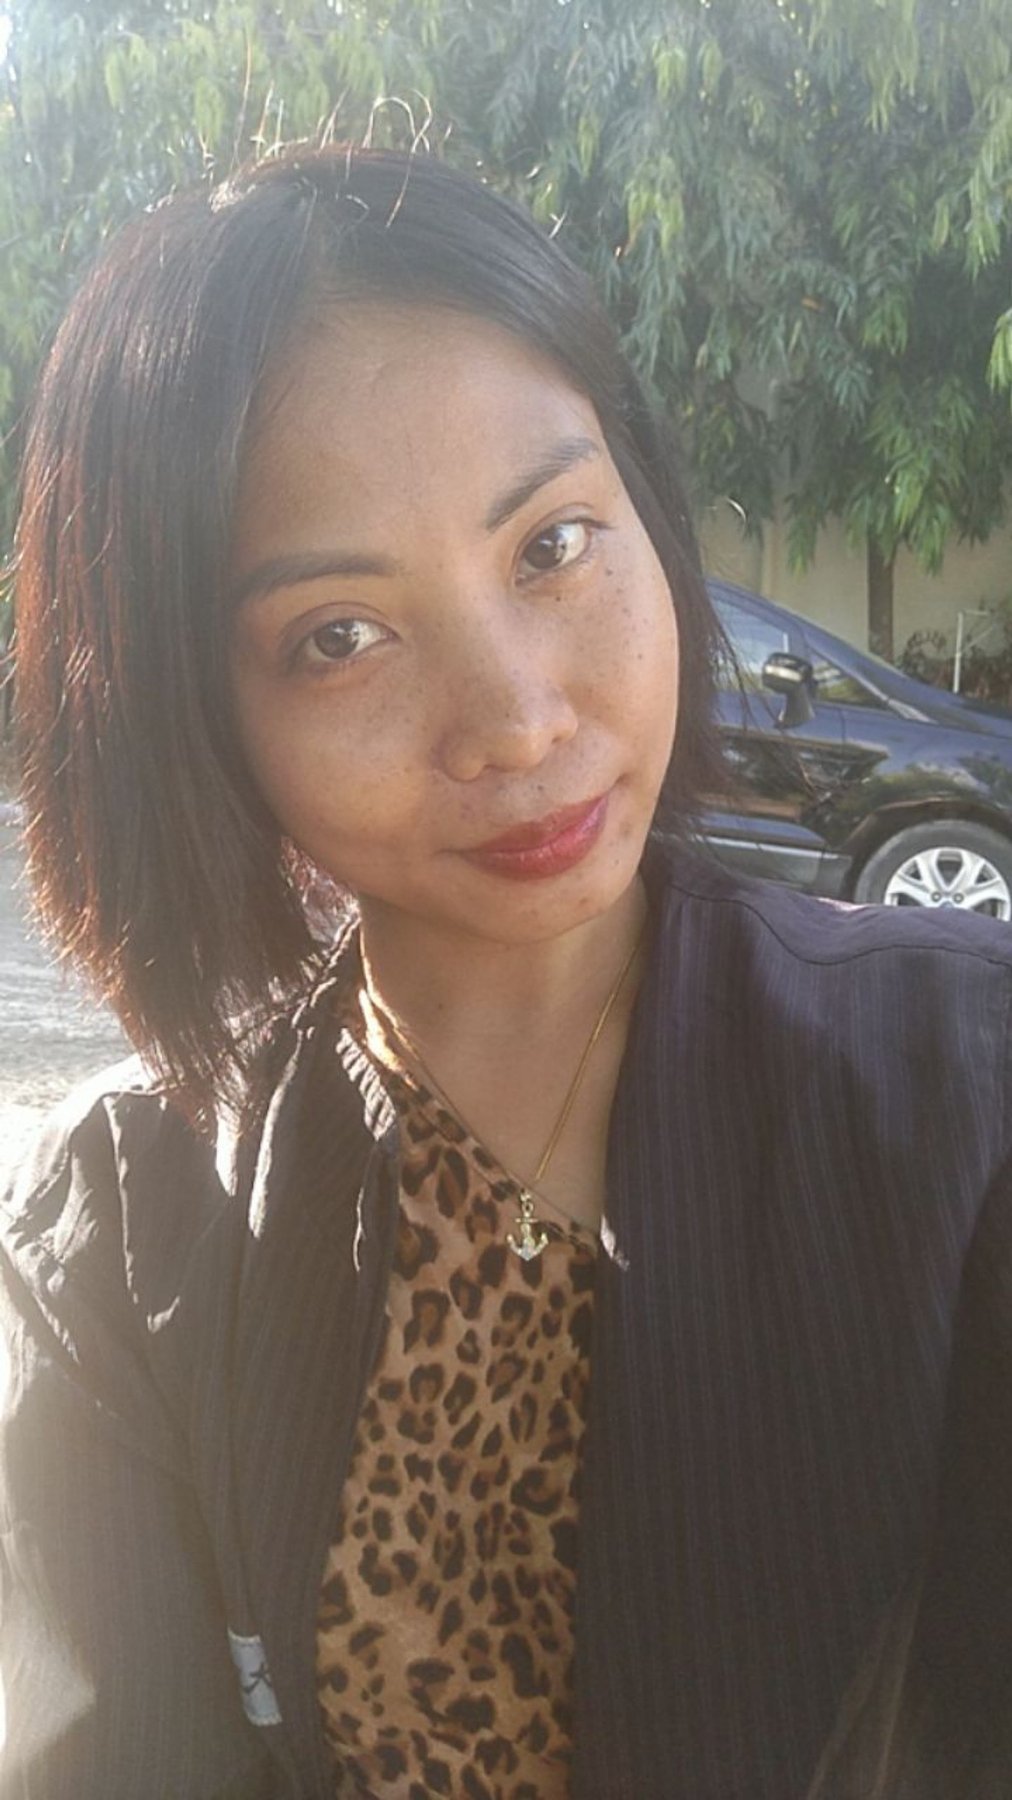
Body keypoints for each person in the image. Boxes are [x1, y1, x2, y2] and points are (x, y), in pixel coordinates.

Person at [2, 143, 1012, 1800]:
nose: (520, 720)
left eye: (552, 545)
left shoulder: (967, 1091)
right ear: (193, 711)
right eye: (339, 636)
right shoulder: (122, 1236)